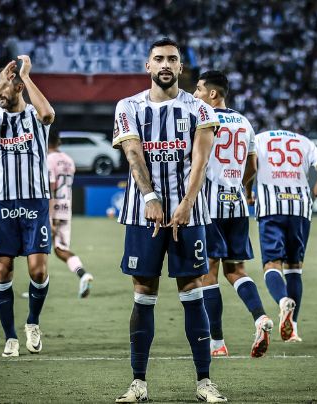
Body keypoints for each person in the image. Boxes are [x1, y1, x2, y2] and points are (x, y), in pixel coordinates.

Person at [110, 38, 226, 403]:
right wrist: (151, 198)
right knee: (144, 293)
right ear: (148, 66)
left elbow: (200, 162)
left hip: (189, 215)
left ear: (180, 68)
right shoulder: (127, 106)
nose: (165, 64)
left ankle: (204, 382)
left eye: (171, 59)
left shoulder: (201, 109)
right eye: (158, 58)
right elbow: (133, 152)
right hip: (143, 214)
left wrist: (187, 204)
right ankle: (138, 383)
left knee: (193, 290)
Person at [0, 55, 54, 357]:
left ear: (17, 87)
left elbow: (48, 115)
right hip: (2, 202)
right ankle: (10, 337)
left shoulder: (33, 116)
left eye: (4, 87)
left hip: (34, 202)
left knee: (38, 270)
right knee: (3, 270)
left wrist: (25, 78)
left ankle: (32, 322)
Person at [193, 70, 273, 358]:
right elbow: (253, 166)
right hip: (237, 203)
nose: (195, 95)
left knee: (209, 273)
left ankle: (217, 344)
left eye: (199, 89)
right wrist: (240, 185)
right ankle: (260, 317)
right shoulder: (244, 122)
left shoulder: (202, 117)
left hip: (209, 205)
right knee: (236, 270)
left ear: (213, 94)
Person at [249, 128, 317, 343]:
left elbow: (250, 166)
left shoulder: (260, 139)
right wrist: (313, 194)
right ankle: (293, 331)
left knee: (271, 265)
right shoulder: (304, 141)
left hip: (272, 206)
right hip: (299, 209)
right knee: (294, 269)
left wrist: (247, 192)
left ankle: (283, 301)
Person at [47, 134, 94, 298]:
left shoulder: (48, 159)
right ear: (58, 142)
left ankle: (38, 286)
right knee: (61, 248)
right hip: (66, 207)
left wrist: (49, 217)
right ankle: (83, 275)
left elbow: (50, 187)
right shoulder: (68, 160)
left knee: (38, 248)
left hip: (52, 209)